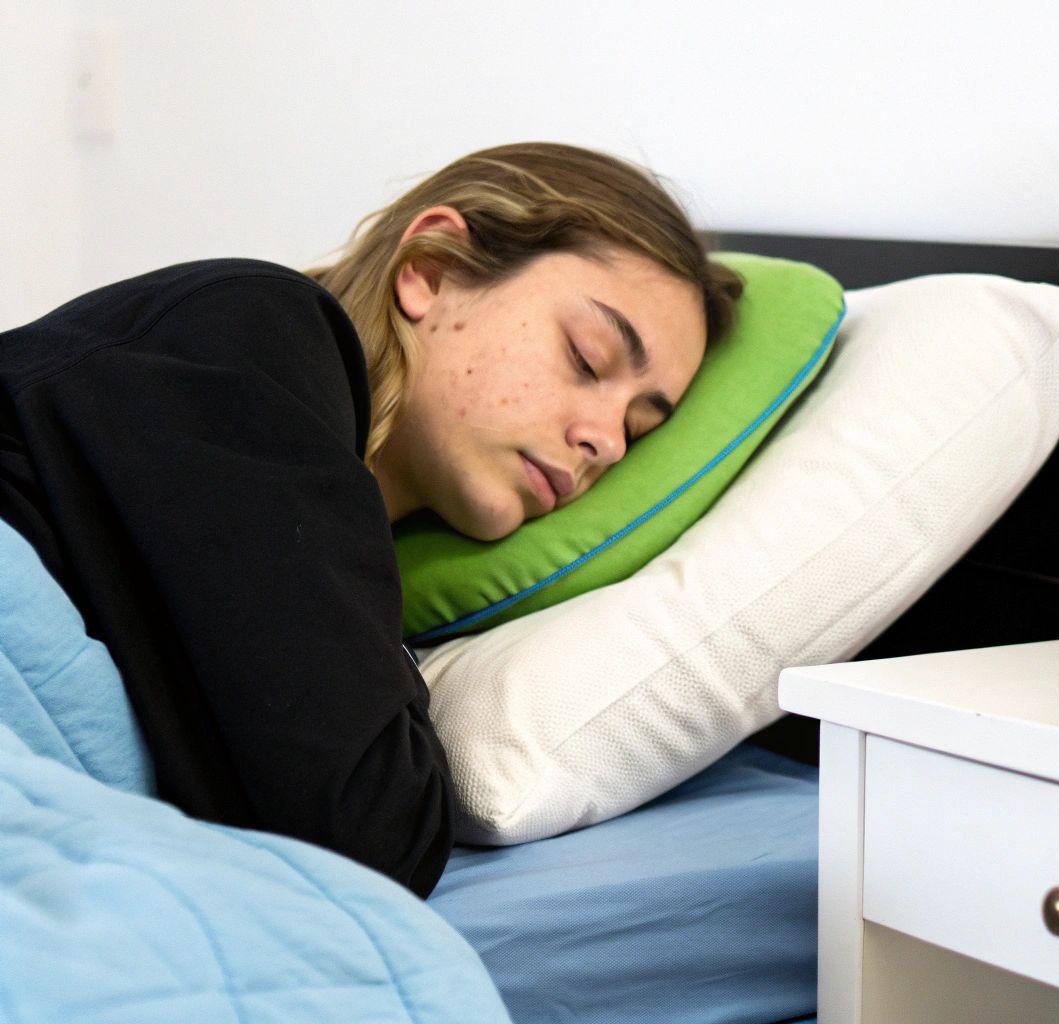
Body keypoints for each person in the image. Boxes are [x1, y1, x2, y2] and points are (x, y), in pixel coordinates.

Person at [0, 142, 742, 896]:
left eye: (640, 429)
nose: (607, 440)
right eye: (588, 358)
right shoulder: (250, 332)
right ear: (435, 268)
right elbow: (368, 836)